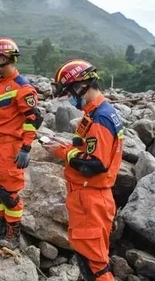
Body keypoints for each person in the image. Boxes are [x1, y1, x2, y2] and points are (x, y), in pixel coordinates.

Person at [42, 59, 123, 281]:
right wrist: (64, 146)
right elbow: (86, 149)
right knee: (88, 260)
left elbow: (95, 165)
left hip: (92, 199)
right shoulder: (94, 113)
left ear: (80, 87)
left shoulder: (101, 118)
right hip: (86, 198)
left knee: (96, 266)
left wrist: (63, 153)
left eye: (69, 92)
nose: (69, 98)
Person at [0, 36, 43, 249]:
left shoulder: (22, 87)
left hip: (10, 148)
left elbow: (34, 119)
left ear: (4, 58)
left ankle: (12, 236)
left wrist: (26, 148)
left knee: (9, 195)